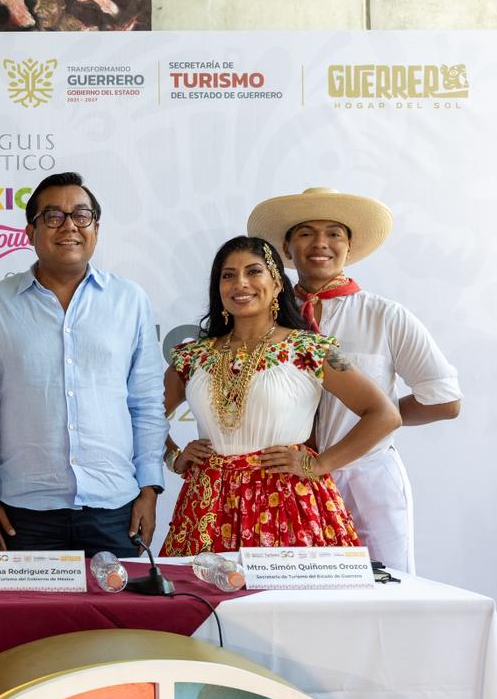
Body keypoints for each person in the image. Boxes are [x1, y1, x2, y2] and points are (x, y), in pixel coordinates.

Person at [247, 188, 460, 571]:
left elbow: (444, 399)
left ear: (349, 245)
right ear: (286, 246)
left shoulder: (385, 316)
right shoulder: (263, 317)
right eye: (306, 233)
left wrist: (373, 419)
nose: (320, 244)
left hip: (367, 478)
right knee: (291, 593)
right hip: (284, 477)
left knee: (385, 587)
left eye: (334, 234)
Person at [159, 236, 400, 555]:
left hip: (288, 506)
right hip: (207, 509)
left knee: (288, 602)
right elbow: (143, 417)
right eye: (228, 275)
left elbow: (384, 415)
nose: (240, 283)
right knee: (203, 601)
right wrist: (174, 457)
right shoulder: (192, 357)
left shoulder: (310, 349)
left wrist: (320, 464)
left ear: (277, 284)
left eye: (253, 271)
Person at [0, 171, 167, 558]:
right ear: (30, 231)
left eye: (82, 215)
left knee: (118, 620)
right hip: (22, 512)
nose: (69, 227)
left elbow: (146, 404)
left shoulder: (129, 301)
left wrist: (149, 488)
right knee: (24, 621)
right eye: (53, 216)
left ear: (96, 227)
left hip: (116, 508)